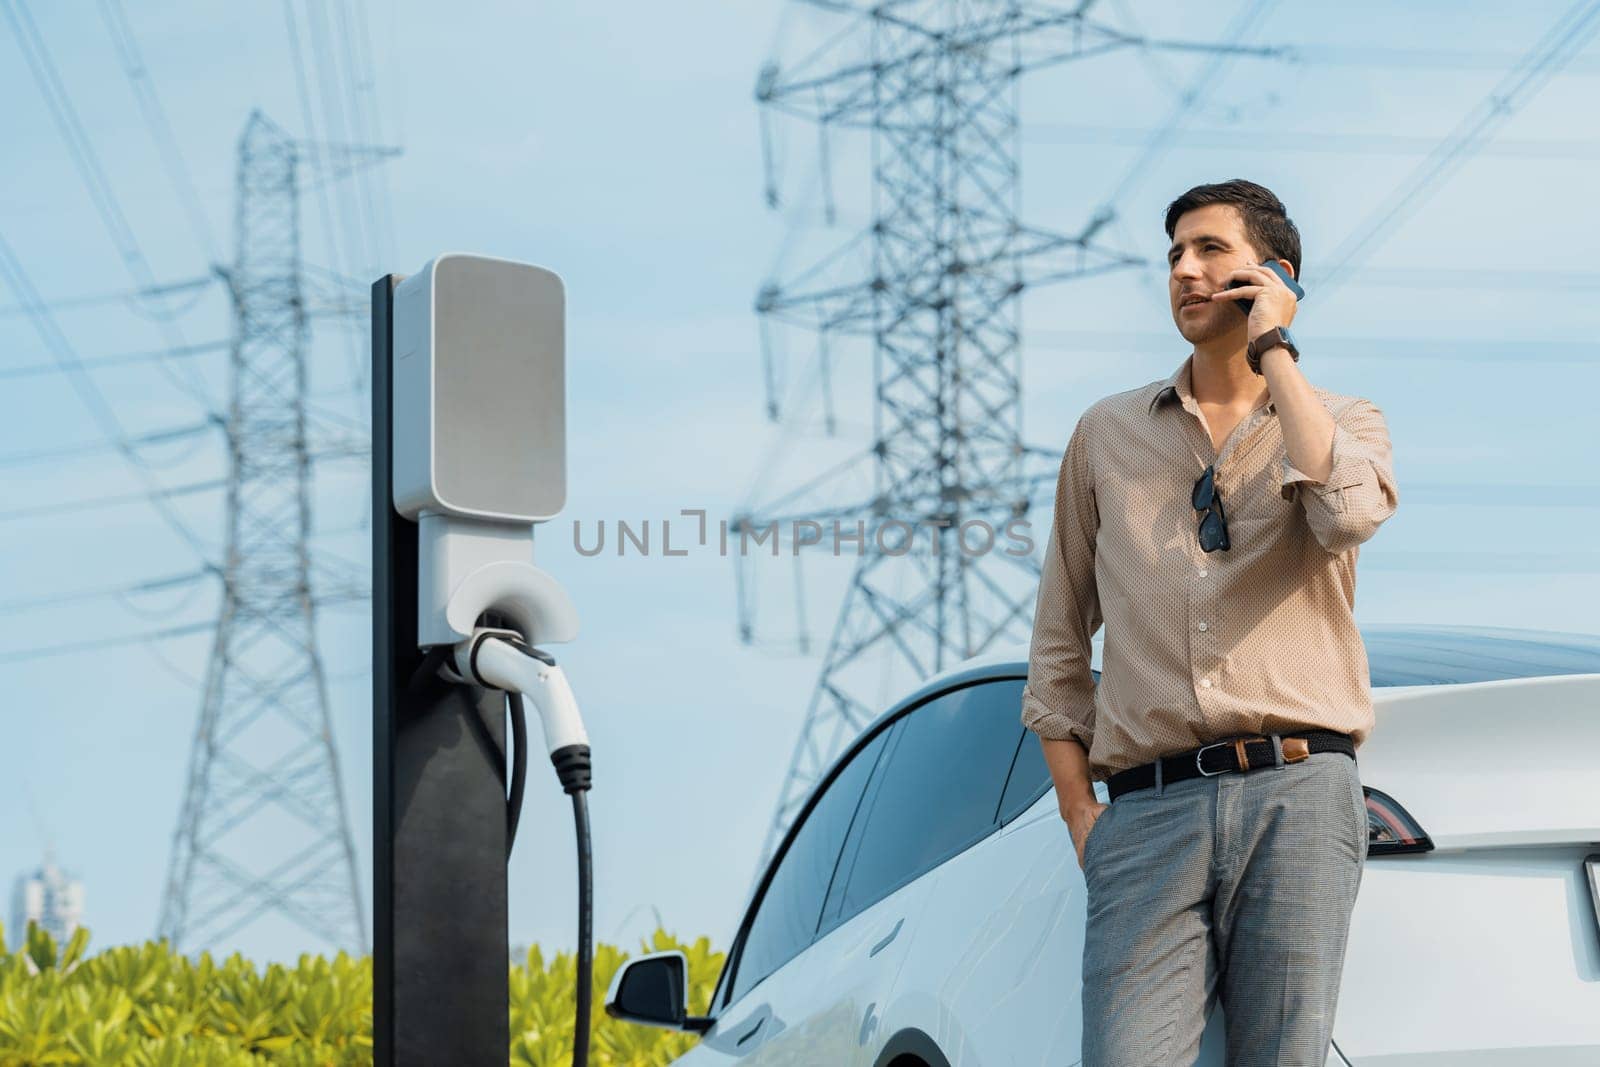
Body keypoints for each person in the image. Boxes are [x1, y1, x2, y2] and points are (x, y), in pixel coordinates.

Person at [1019, 178, 1400, 1066]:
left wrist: (1275, 347)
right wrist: (1083, 813)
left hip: (1299, 795)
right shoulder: (1105, 435)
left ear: (1274, 272)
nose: (1186, 272)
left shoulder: (1346, 421)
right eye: (1174, 257)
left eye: (1210, 251)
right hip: (1147, 812)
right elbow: (1058, 642)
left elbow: (1343, 515)